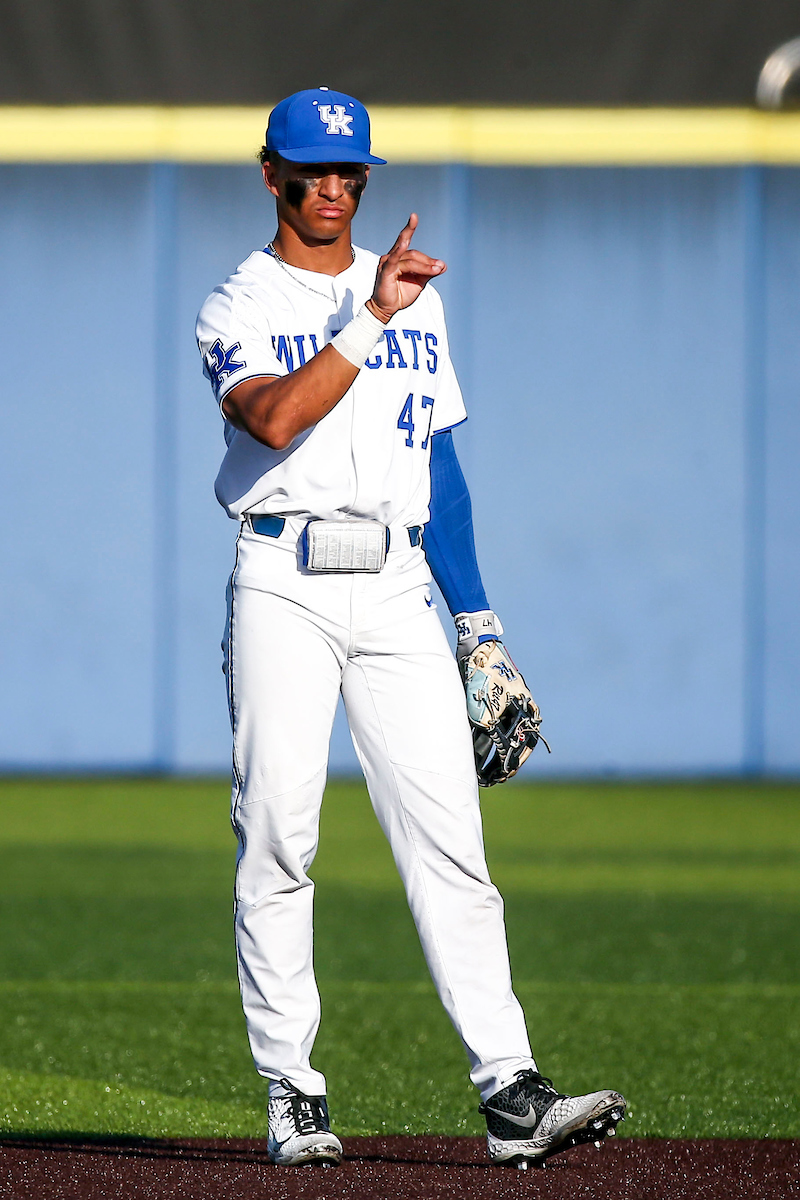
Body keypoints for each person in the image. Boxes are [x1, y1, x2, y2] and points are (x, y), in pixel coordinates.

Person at [196, 86, 626, 1170]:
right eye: (313, 171)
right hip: (283, 580)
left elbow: (438, 468)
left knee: (449, 842)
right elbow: (276, 419)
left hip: (393, 586)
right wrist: (368, 315)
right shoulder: (236, 304)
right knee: (281, 835)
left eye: (350, 173)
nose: (334, 189)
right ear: (269, 175)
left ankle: (510, 1093)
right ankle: (292, 1092)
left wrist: (476, 622)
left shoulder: (410, 301)